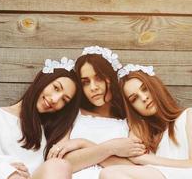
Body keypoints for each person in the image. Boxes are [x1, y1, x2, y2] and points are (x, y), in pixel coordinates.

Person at [0, 57, 81, 179]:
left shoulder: (49, 133)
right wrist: (11, 172)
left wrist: (82, 142)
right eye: (56, 87)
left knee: (60, 165)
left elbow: (60, 165)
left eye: (64, 100)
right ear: (43, 80)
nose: (55, 99)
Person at [99, 64, 192, 179]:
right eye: (135, 99)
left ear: (155, 86)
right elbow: (122, 164)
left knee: (110, 173)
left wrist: (146, 160)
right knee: (109, 173)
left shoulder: (190, 115)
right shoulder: (146, 136)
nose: (144, 98)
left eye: (145, 89)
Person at [46, 46, 146, 179]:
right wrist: (111, 148)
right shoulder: (73, 115)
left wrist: (82, 144)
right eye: (86, 82)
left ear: (111, 77)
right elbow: (59, 162)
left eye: (99, 78)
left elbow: (134, 170)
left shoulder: (131, 122)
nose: (93, 87)